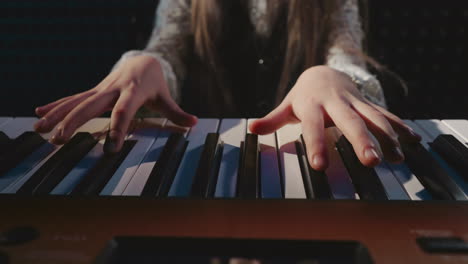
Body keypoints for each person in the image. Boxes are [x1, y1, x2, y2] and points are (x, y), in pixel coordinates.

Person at [33, 0, 420, 171]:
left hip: (306, 158)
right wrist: (147, 64)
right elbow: (167, 47)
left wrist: (331, 78)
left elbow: (345, 56)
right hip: (205, 160)